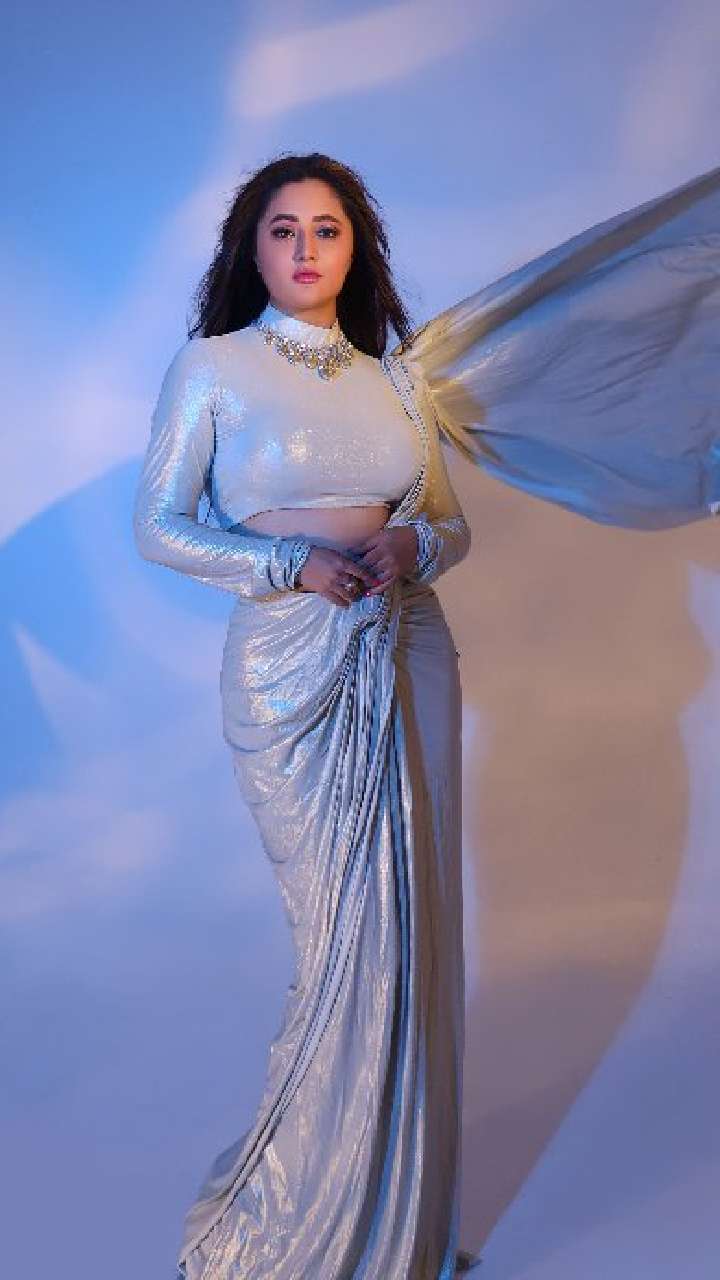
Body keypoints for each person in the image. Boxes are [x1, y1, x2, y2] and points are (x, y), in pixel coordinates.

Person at [133, 152, 720, 1280]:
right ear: (251, 249)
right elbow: (158, 524)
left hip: (408, 651)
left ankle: (391, 1224)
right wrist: (286, 563)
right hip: (291, 671)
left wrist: (413, 544)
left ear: (357, 248)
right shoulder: (212, 368)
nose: (305, 248)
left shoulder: (398, 382)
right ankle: (292, 1215)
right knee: (337, 945)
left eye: (327, 229)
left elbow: (449, 525)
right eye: (283, 230)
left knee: (409, 934)